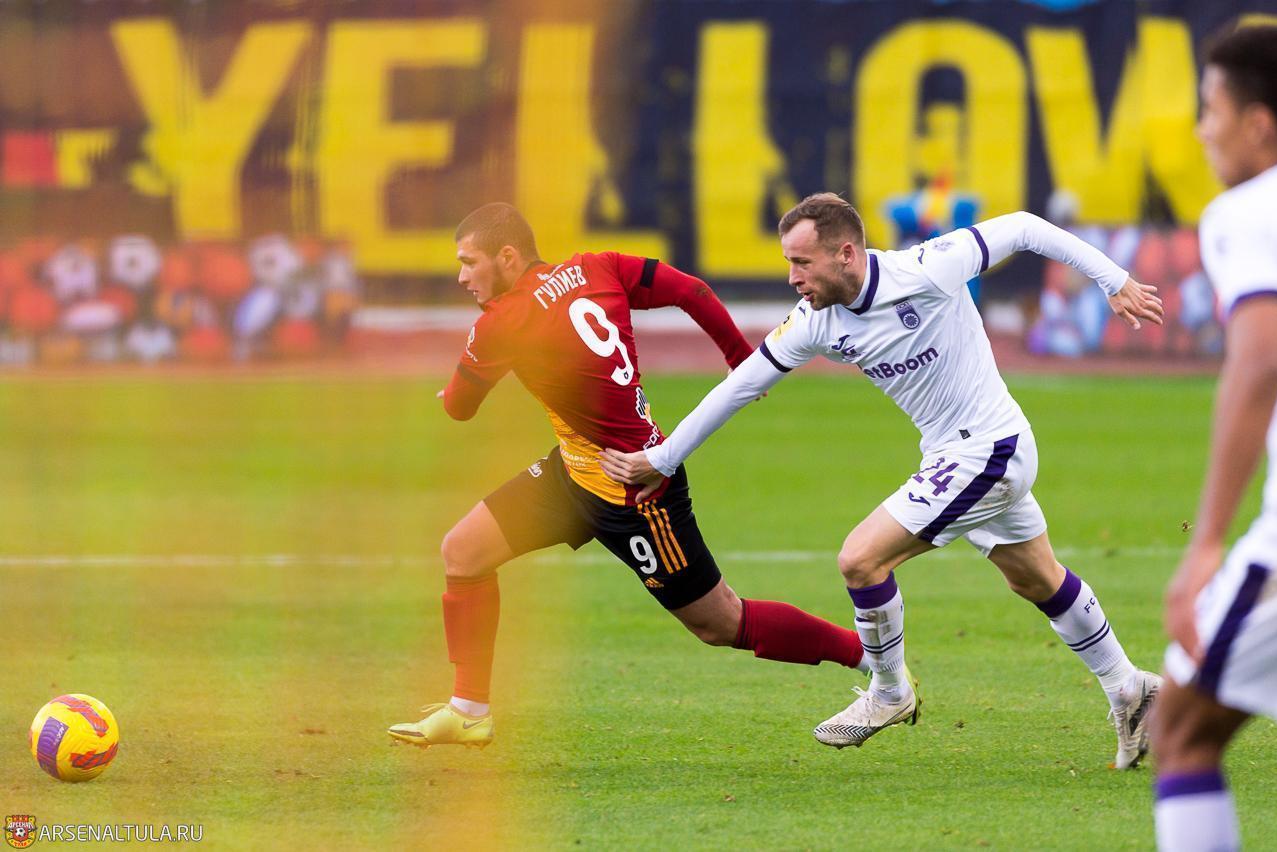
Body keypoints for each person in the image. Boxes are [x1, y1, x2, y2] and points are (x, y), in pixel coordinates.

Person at [600, 191, 1165, 766]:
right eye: (788, 263)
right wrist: (664, 457)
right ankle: (1129, 687)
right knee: (1036, 578)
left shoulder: (928, 268)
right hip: (954, 455)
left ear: (845, 253)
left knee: (860, 559)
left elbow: (1023, 226)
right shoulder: (815, 321)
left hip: (989, 449)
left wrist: (1115, 280)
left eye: (802, 262)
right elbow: (742, 385)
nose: (793, 278)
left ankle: (890, 692)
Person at [388, 202, 869, 749]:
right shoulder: (600, 267)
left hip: (638, 490)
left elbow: (459, 408)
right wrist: (741, 359)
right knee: (464, 552)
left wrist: (450, 391)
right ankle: (469, 711)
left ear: (507, 256)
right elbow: (694, 291)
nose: (462, 277)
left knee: (721, 623)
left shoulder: (501, 323)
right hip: (574, 473)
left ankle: (869, 657)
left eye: (469, 262)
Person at [1150, 25, 1277, 852]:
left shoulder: (1249, 210)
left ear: (1258, 125)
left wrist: (1205, 546)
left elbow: (1260, 360)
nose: (1202, 131)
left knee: (1182, 729)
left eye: (1211, 110)